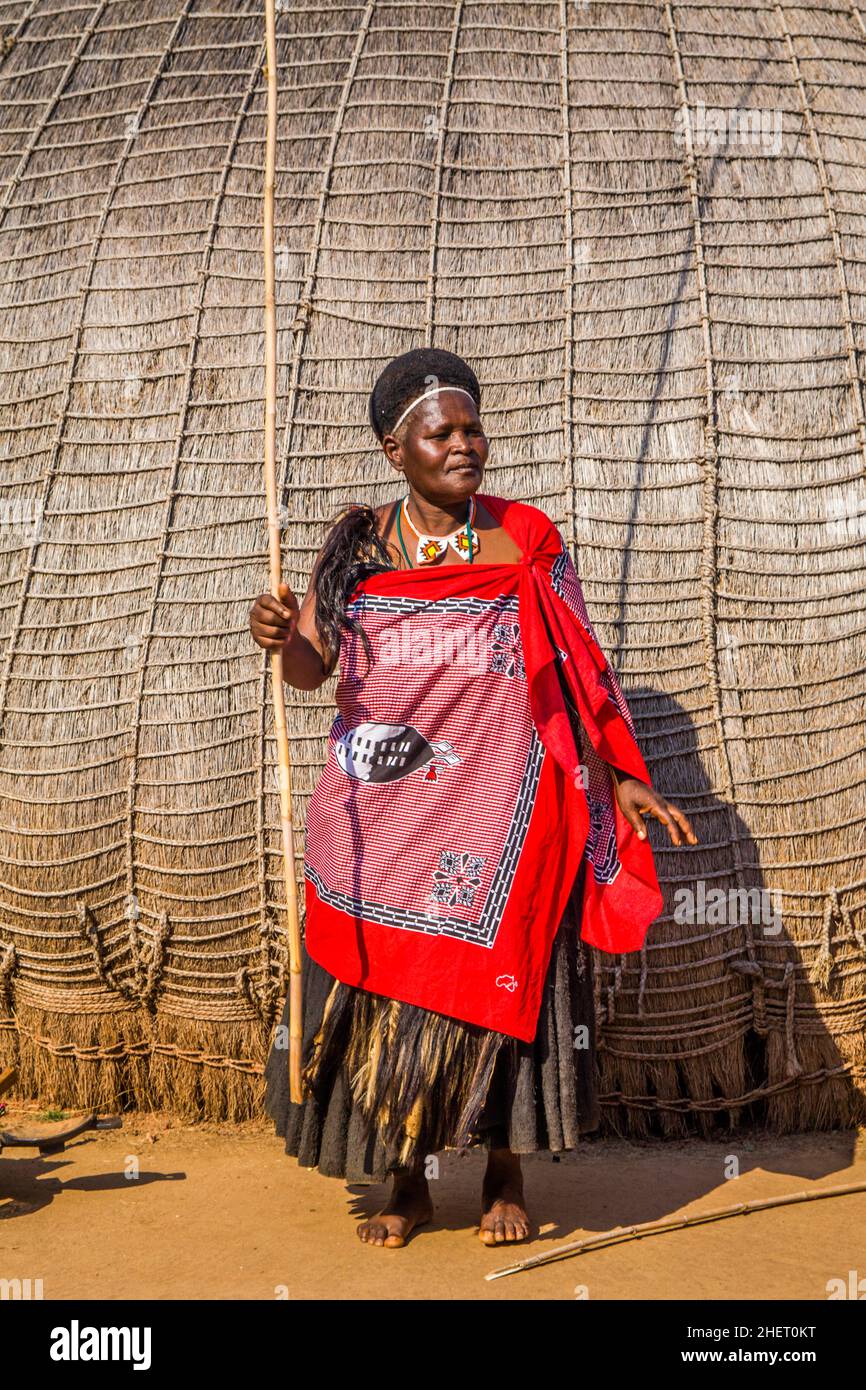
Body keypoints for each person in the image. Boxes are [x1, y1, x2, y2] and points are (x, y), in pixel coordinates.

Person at [250, 347, 698, 1249]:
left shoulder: (524, 539)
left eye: (472, 429)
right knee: (385, 990)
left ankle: (503, 1172)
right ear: (395, 449)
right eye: (440, 433)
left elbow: (576, 671)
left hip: (504, 810)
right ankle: (407, 1183)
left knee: (505, 987)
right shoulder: (358, 545)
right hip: (383, 812)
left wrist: (620, 775)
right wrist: (276, 634)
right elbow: (310, 668)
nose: (466, 446)